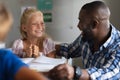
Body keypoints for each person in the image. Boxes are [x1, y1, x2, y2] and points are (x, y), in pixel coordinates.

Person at [49, 1, 120, 80]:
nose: (78, 25)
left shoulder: (118, 45)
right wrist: (48, 46)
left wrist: (75, 72)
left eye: (81, 21)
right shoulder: (87, 37)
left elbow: (110, 72)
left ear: (94, 24)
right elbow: (69, 50)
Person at [0, 3, 47, 80]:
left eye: (42, 23)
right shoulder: (5, 58)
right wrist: (26, 56)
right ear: (24, 28)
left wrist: (39, 56)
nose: (39, 27)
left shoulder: (47, 43)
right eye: (34, 24)